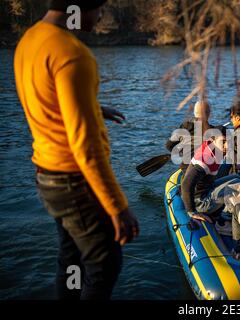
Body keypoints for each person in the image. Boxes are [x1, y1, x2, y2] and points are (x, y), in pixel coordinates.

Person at [14, 0, 139, 300]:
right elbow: (86, 147)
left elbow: (47, 98)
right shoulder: (72, 54)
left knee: (71, 262)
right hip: (75, 182)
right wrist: (118, 206)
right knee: (104, 265)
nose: (99, 18)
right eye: (97, 8)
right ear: (76, 9)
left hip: (47, 177)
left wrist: (93, 108)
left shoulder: (30, 40)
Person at [181, 126, 240, 223]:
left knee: (236, 177)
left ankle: (219, 213)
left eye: (229, 142)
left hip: (207, 187)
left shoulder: (210, 146)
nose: (227, 146)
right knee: (237, 184)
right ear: (213, 140)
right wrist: (192, 212)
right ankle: (224, 216)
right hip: (201, 202)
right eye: (223, 142)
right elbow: (185, 184)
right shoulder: (206, 159)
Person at [166, 100, 214, 172]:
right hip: (205, 171)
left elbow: (169, 145)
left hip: (186, 168)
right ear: (208, 114)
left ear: (195, 113)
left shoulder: (185, 126)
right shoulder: (213, 131)